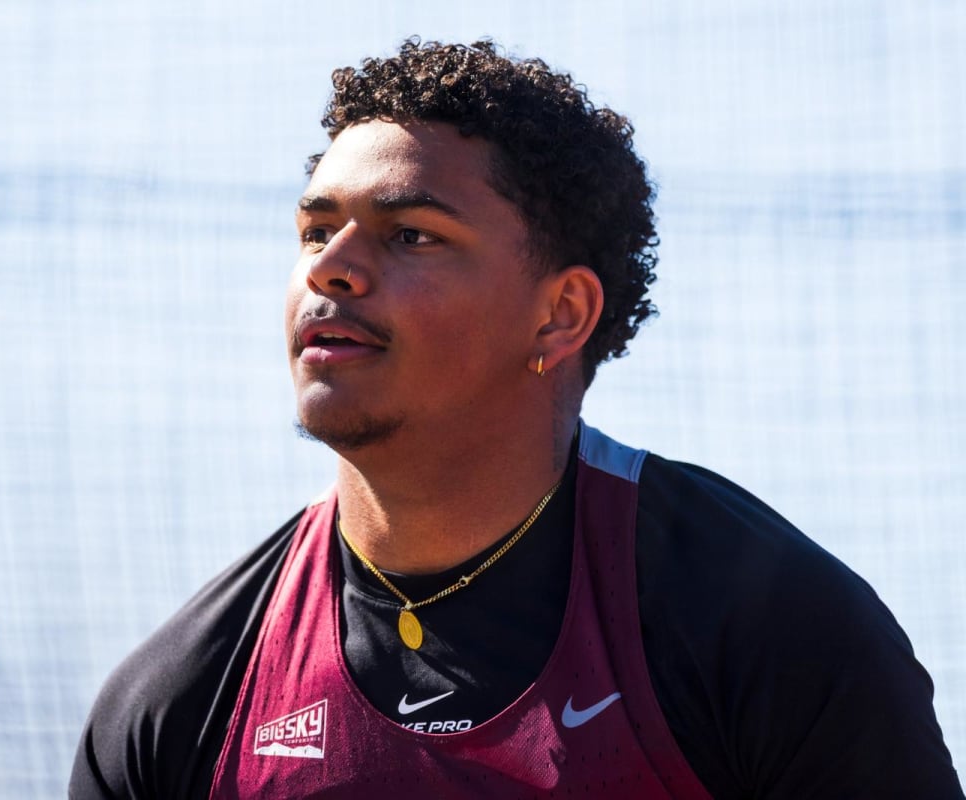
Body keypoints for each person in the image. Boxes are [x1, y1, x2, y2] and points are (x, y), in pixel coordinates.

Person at [70, 39, 963, 799]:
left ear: (560, 314)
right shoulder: (180, 701)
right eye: (315, 230)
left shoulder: (769, 630)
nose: (330, 269)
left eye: (410, 233)